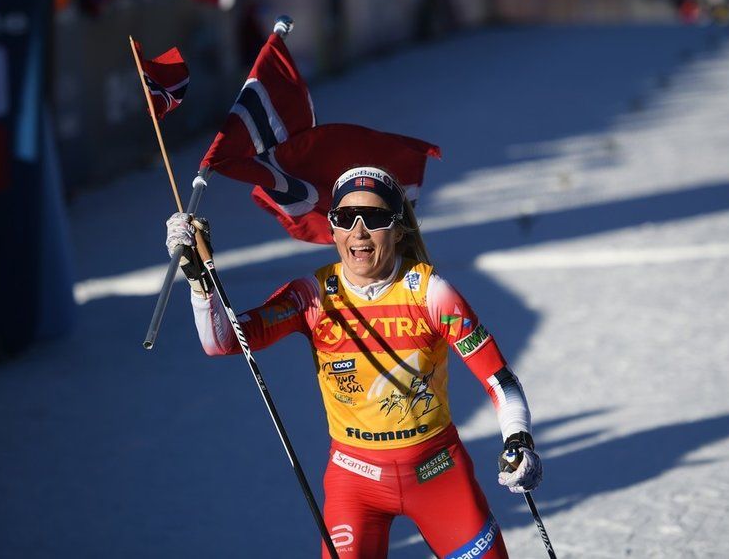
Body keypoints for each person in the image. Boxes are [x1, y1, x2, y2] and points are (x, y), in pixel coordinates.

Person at [166, 166, 542, 558]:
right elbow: (224, 341)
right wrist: (200, 282)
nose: (358, 232)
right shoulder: (311, 296)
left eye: (375, 218)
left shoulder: (432, 293)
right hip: (355, 482)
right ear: (332, 228)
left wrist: (518, 437)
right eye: (345, 218)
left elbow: (499, 380)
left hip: (437, 474)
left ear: (398, 230)